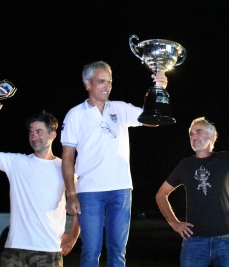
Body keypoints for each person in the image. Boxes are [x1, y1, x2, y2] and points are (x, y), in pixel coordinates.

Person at [61, 60, 168, 267]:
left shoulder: (120, 108)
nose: (107, 87)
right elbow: (67, 158)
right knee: (91, 251)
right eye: (101, 82)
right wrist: (71, 194)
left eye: (109, 82)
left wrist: (158, 89)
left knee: (118, 253)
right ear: (87, 83)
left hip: (121, 190)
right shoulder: (75, 114)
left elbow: (152, 119)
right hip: (89, 191)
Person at [0, 95, 80, 267]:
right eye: (31, 132)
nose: (34, 136)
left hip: (48, 250)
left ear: (52, 134)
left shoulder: (65, 168)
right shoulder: (17, 162)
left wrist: (73, 235)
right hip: (15, 249)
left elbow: (81, 205)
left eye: (39, 132)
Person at [156, 92, 229, 267]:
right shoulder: (185, 165)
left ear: (212, 136)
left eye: (198, 132)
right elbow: (161, 195)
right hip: (194, 242)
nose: (194, 137)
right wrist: (174, 223)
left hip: (226, 241)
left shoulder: (225, 160)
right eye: (191, 134)